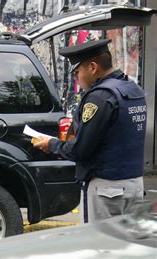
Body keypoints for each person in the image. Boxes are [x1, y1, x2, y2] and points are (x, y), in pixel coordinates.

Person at [33, 39, 147, 223]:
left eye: (77, 72)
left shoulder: (100, 97)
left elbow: (81, 150)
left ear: (93, 67)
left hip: (107, 192)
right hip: (134, 185)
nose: (76, 78)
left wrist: (52, 144)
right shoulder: (132, 90)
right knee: (128, 247)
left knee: (100, 247)